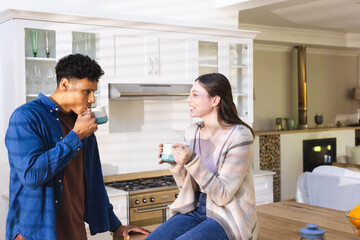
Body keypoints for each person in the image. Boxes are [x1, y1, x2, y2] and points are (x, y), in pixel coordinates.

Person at [5, 54, 150, 240]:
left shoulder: (81, 123)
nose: (92, 100)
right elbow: (31, 176)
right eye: (86, 91)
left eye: (94, 92)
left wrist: (116, 226)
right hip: (34, 233)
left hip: (74, 230)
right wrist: (76, 136)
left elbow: (93, 181)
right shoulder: (26, 117)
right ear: (65, 84)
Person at [146, 73, 259, 240]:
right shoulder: (192, 132)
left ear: (215, 100)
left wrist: (192, 160)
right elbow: (188, 188)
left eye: (195, 94)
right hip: (196, 208)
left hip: (227, 215)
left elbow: (223, 196)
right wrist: (178, 168)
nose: (188, 99)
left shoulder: (240, 136)